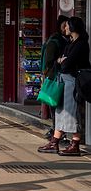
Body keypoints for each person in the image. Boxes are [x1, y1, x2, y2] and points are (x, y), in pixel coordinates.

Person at [37, 16, 89, 156]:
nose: (64, 28)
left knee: (71, 113)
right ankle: (54, 142)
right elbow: (62, 60)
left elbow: (66, 64)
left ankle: (74, 144)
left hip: (73, 83)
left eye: (67, 26)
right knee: (61, 112)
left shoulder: (81, 44)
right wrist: (61, 60)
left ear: (73, 28)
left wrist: (61, 61)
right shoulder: (71, 42)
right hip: (65, 82)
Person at [40, 16, 69, 138]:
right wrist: (59, 60)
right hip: (55, 77)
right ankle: (56, 130)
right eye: (64, 25)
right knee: (55, 104)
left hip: (56, 77)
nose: (66, 27)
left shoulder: (60, 39)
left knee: (56, 104)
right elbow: (48, 62)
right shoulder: (55, 41)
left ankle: (56, 130)